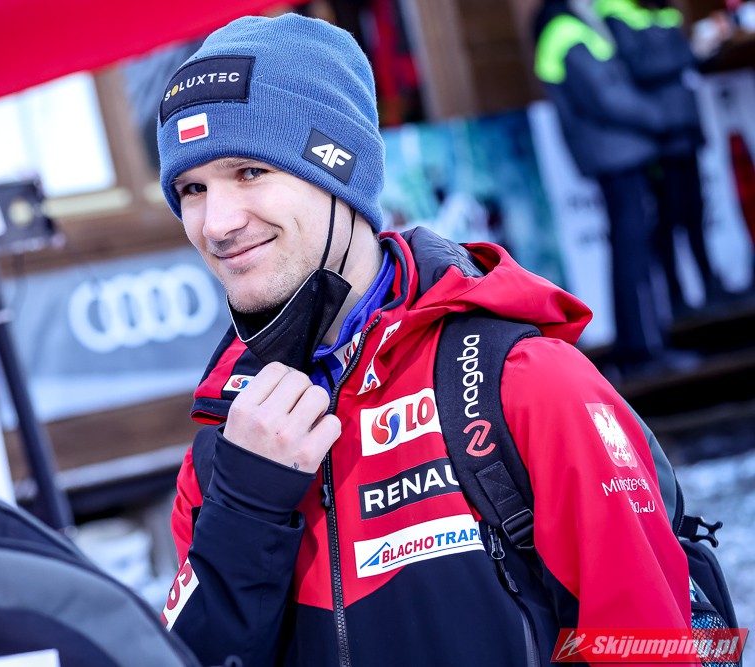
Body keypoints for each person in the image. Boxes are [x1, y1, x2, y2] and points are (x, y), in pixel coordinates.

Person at [156, 13, 692, 667]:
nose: (216, 223)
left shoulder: (519, 383)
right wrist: (245, 510)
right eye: (191, 188)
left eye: (249, 172)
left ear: (338, 168)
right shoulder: (223, 448)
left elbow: (649, 647)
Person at [533, 0, 698, 377]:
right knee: (632, 254)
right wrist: (660, 117)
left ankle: (644, 345)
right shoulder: (565, 31)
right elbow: (605, 98)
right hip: (616, 157)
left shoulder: (576, 24)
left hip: (623, 153)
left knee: (635, 252)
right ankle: (642, 350)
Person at [594, 0, 731, 320]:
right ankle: (675, 296)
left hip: (684, 127)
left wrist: (709, 47)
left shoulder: (664, 9)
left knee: (696, 212)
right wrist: (689, 52)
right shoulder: (615, 10)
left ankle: (710, 283)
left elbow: (684, 66)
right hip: (657, 135)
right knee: (667, 218)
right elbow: (638, 67)